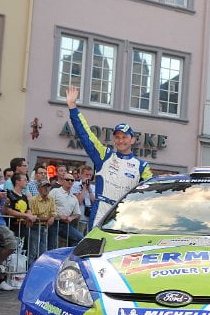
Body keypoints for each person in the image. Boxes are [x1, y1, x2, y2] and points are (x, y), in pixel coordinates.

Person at [65, 85, 153, 229]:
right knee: (95, 250)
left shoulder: (142, 166)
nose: (121, 140)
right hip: (101, 211)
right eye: (117, 137)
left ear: (132, 140)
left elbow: (150, 194)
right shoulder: (104, 156)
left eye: (125, 137)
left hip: (126, 214)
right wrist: (72, 107)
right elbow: (85, 134)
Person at [48, 171, 84, 248]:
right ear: (63, 181)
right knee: (51, 246)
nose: (70, 181)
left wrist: (71, 218)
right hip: (53, 222)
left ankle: (69, 257)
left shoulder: (73, 197)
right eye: (67, 179)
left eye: (72, 180)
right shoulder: (55, 191)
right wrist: (59, 215)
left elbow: (77, 213)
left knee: (79, 238)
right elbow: (47, 206)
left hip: (65, 224)